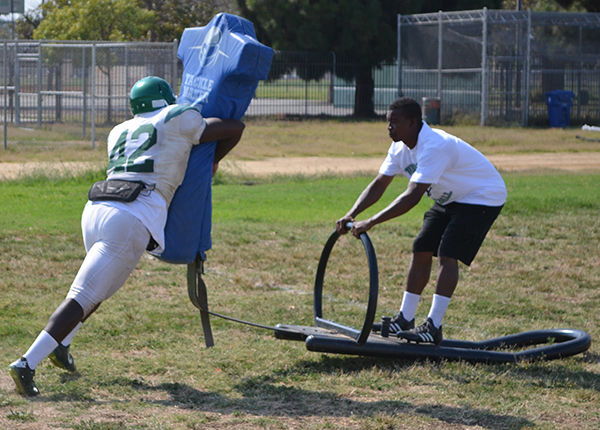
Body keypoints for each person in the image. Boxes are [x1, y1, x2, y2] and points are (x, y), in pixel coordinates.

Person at [8, 76, 245, 396]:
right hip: (131, 216)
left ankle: (61, 345)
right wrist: (213, 158)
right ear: (165, 99)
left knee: (95, 290)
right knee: (83, 296)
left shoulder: (117, 130)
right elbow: (234, 127)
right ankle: (26, 362)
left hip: (96, 209)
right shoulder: (175, 117)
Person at [336, 97, 506, 345]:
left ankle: (433, 327)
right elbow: (379, 184)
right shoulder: (399, 149)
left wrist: (371, 222)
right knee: (422, 247)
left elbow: (412, 196)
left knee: (447, 253)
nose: (389, 127)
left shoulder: (434, 145)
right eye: (388, 122)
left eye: (394, 122)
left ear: (413, 122)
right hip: (451, 198)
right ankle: (405, 319)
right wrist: (352, 214)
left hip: (481, 196)